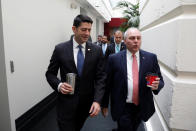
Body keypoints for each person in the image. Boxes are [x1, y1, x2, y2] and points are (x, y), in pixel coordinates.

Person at [45, 14, 106, 131]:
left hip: (85, 105)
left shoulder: (96, 50)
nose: (87, 33)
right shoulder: (60, 49)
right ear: (74, 29)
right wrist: (59, 85)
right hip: (66, 104)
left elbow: (101, 77)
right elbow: (50, 74)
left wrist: (97, 101)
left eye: (89, 30)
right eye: (84, 29)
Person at [101, 27, 164, 131]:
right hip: (123, 105)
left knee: (134, 127)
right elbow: (107, 83)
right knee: (125, 127)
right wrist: (104, 104)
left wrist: (157, 86)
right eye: (132, 38)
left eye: (138, 38)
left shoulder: (150, 58)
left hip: (142, 105)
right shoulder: (114, 59)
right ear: (124, 41)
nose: (136, 41)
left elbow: (160, 80)